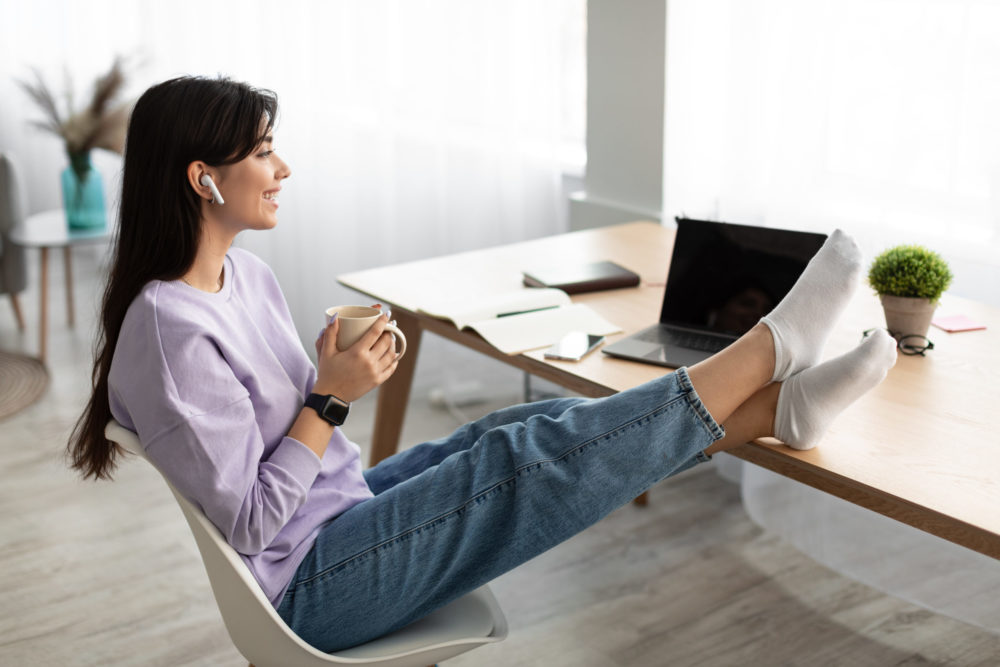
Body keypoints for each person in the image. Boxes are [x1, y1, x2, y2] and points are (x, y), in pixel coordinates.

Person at [68, 76, 897, 653]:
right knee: (517, 460)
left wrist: (334, 379)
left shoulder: (242, 275)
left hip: (336, 515)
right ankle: (767, 351)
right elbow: (249, 522)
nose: (282, 169)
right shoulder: (171, 332)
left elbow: (292, 437)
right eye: (262, 152)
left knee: (518, 424)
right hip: (307, 587)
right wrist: (331, 398)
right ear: (201, 178)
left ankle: (770, 412)